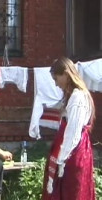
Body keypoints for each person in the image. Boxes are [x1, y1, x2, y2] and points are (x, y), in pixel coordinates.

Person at [42, 57, 96, 200]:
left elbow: (73, 131)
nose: (56, 84)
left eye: (56, 79)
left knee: (70, 192)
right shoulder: (72, 96)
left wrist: (61, 159)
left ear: (66, 74)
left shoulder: (78, 97)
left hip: (73, 153)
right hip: (73, 150)